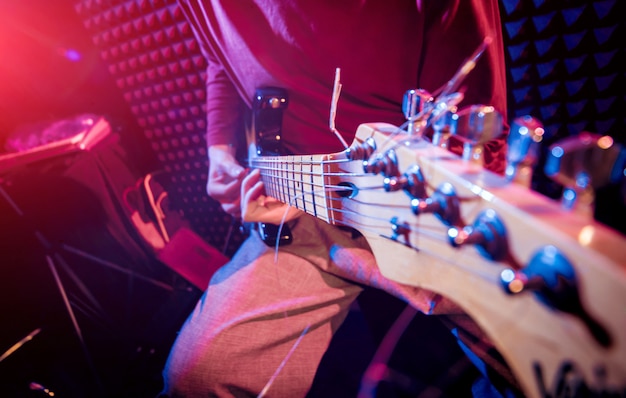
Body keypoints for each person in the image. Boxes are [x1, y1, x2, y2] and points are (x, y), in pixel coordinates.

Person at [161, 1, 511, 396]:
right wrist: (219, 152)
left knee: (549, 371)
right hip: (295, 210)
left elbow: (479, 130)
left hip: (420, 209)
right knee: (199, 378)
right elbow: (220, 60)